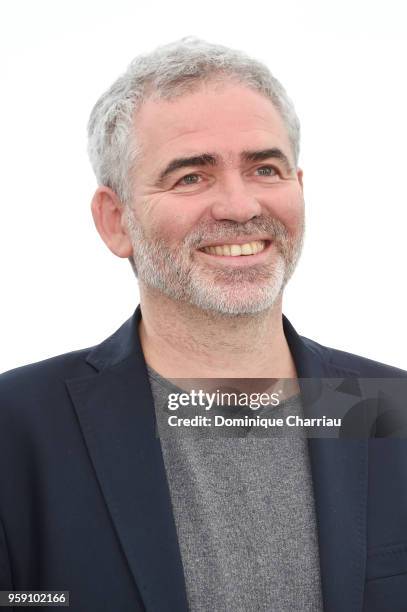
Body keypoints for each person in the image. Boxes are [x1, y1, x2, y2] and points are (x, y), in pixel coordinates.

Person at [0, 37, 406, 612]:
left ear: (299, 188)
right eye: (191, 177)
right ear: (116, 221)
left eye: (266, 168)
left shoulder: (389, 410)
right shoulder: (17, 429)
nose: (240, 207)